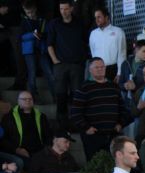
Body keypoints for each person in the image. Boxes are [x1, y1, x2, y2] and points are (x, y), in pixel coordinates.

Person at [70, 57, 129, 161]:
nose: (100, 69)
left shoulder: (113, 86)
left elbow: (122, 108)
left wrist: (121, 123)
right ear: (90, 70)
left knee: (114, 165)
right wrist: (86, 128)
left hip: (113, 135)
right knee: (95, 166)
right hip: (93, 136)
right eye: (97, 67)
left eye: (102, 67)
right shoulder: (83, 88)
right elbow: (75, 112)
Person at [47, 0, 88, 129]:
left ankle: (77, 123)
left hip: (77, 65)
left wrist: (82, 60)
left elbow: (86, 43)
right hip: (60, 65)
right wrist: (55, 60)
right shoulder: (54, 24)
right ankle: (61, 125)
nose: (63, 12)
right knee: (60, 94)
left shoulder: (80, 23)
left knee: (77, 96)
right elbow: (49, 44)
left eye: (65, 9)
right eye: (61, 9)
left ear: (71, 9)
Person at [0, 90, 52, 169]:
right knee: (31, 164)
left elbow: (48, 135)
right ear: (18, 101)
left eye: (30, 99)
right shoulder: (9, 117)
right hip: (18, 152)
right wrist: (16, 149)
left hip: (39, 151)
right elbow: (3, 140)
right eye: (24, 99)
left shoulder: (41, 116)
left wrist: (46, 149)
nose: (28, 101)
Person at [20, 0, 55, 101]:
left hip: (41, 49)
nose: (30, 14)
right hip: (29, 51)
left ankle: (56, 96)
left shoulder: (42, 19)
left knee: (49, 73)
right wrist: (32, 35)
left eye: (31, 12)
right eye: (27, 12)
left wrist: (41, 35)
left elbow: (47, 34)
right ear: (24, 11)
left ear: (35, 9)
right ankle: (34, 98)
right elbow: (21, 37)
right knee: (32, 73)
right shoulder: (24, 21)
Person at [119, 39, 145, 112]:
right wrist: (125, 86)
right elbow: (120, 84)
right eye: (144, 51)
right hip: (128, 103)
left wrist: (136, 87)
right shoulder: (125, 63)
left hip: (144, 103)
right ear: (136, 50)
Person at [88, 7, 125, 83]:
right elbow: (93, 54)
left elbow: (122, 54)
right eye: (95, 17)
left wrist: (119, 73)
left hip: (113, 69)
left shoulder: (118, 31)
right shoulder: (93, 34)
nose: (97, 20)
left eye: (99, 17)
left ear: (106, 17)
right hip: (97, 70)